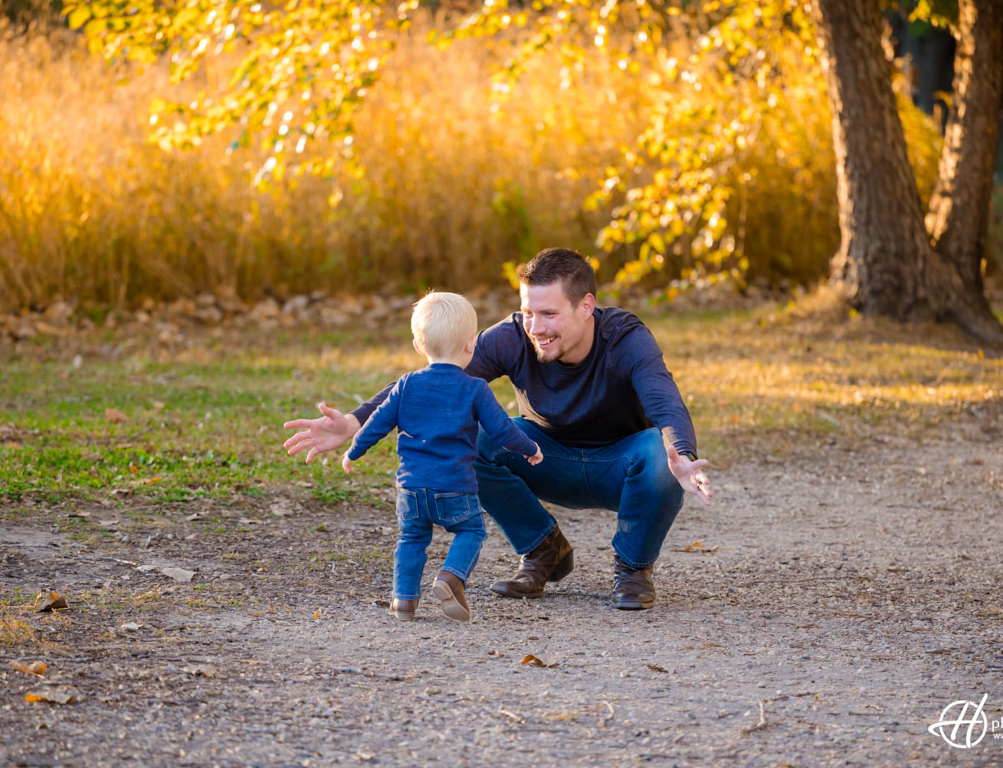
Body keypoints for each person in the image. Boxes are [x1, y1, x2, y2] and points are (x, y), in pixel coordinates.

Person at [284, 248, 712, 611]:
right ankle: (544, 550)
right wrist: (355, 421)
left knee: (663, 456)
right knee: (477, 435)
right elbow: (432, 381)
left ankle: (633, 569)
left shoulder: (626, 338)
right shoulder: (512, 337)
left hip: (621, 464)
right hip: (549, 459)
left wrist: (684, 455)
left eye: (549, 314)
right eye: (529, 312)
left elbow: (664, 401)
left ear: (586, 306)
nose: (536, 328)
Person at [338, 291, 543, 622]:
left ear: (419, 347)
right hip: (454, 487)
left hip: (411, 488)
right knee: (471, 531)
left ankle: (403, 602)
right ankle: (450, 576)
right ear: (470, 345)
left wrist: (354, 450)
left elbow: (377, 423)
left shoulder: (405, 385)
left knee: (411, 539)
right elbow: (502, 430)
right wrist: (530, 448)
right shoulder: (475, 388)